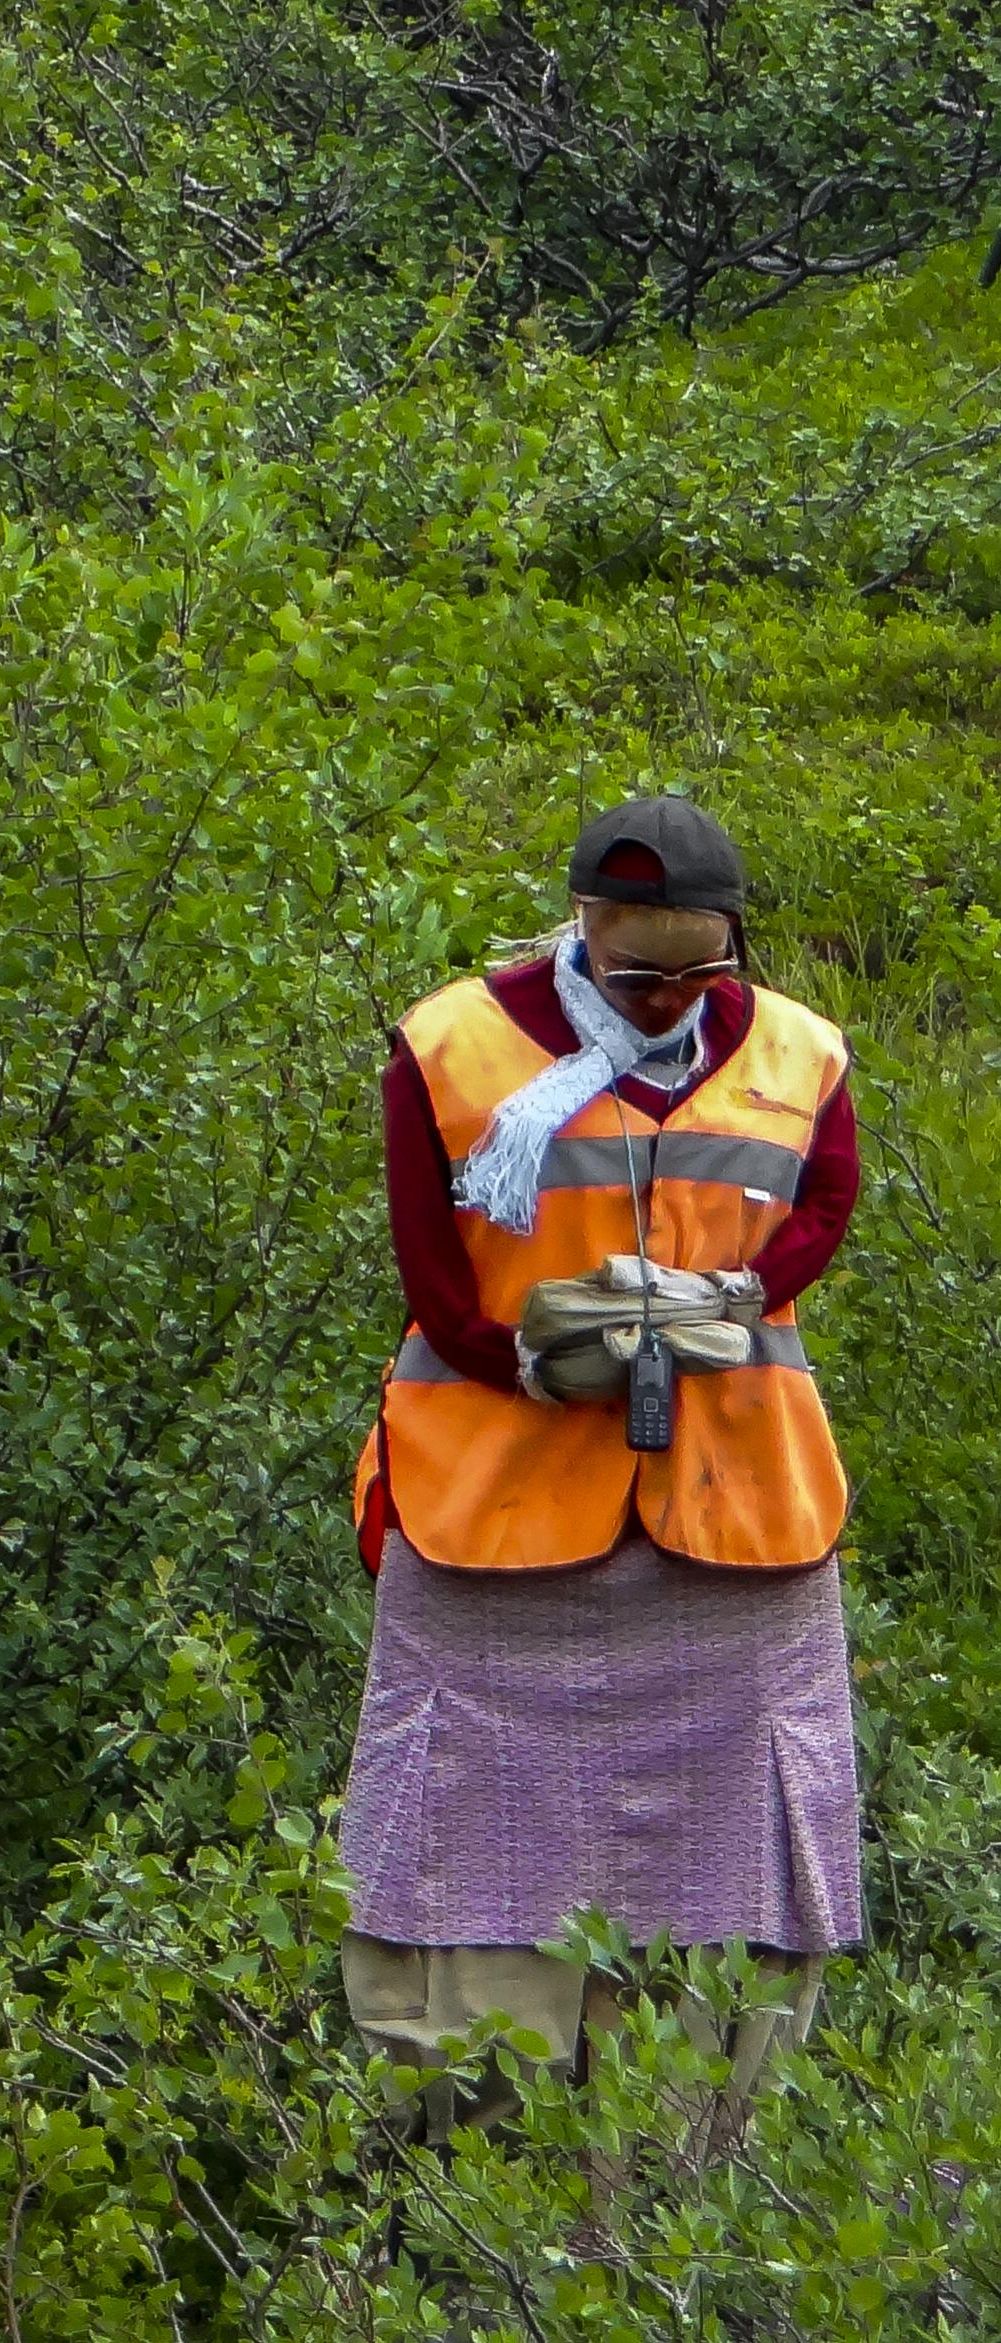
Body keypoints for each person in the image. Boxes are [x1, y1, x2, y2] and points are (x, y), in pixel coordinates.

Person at [343, 794, 864, 2109]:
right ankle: (477, 2159)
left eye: (699, 973)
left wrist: (738, 1295)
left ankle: (700, 2164)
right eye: (638, 976)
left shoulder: (802, 1052)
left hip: (736, 1523)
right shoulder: (448, 1046)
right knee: (460, 1849)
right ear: (582, 926)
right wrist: (520, 1359)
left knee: (738, 1874)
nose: (667, 999)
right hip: (494, 1524)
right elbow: (429, 1271)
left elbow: (828, 1200)